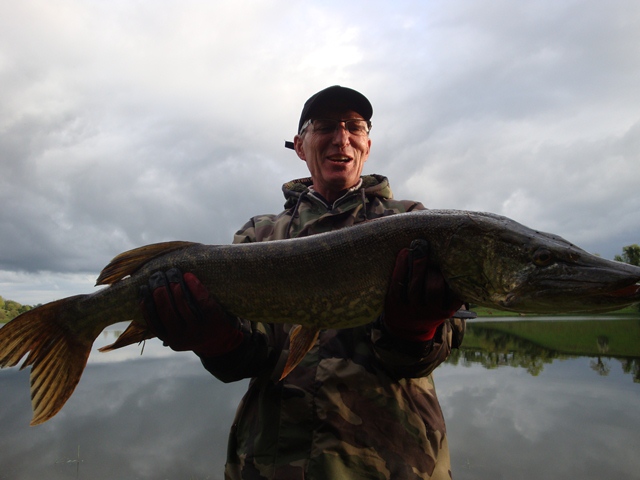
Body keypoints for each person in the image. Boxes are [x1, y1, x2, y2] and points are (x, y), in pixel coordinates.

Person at [140, 86, 467, 480]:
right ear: (299, 145)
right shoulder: (258, 236)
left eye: (354, 127)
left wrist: (417, 331)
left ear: (367, 144)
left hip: (397, 464)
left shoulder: (412, 222)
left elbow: (440, 344)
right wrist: (215, 341)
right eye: (325, 126)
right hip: (272, 464)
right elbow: (247, 360)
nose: (341, 137)